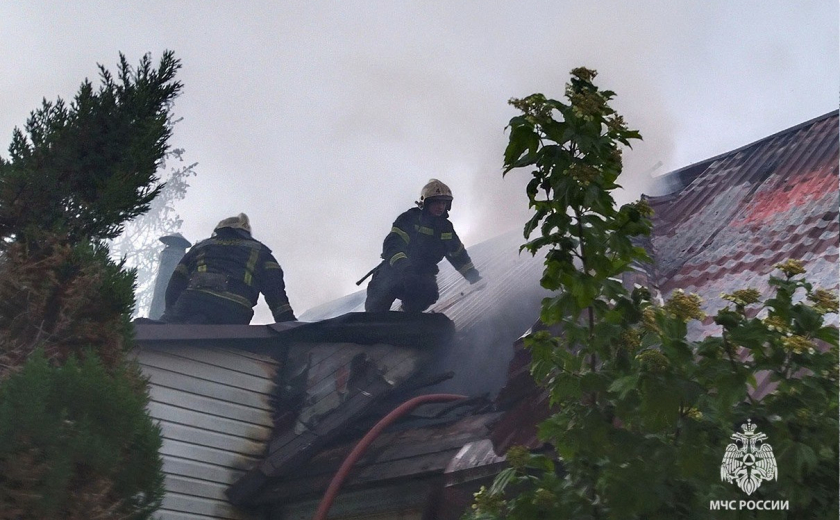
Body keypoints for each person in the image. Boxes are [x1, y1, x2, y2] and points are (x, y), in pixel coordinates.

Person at [364, 179, 482, 313]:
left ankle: (407, 315)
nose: (440, 207)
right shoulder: (409, 219)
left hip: (422, 274)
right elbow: (393, 245)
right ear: (426, 203)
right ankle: (373, 318)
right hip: (396, 269)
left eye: (443, 203)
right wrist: (405, 268)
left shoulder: (446, 228)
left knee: (429, 292)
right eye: (436, 202)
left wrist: (473, 276)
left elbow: (457, 254)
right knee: (382, 291)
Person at [161, 213, 296, 324]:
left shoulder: (201, 246)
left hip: (191, 303)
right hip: (233, 310)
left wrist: (170, 314)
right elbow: (275, 292)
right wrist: (289, 325)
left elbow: (176, 281)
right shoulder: (261, 251)